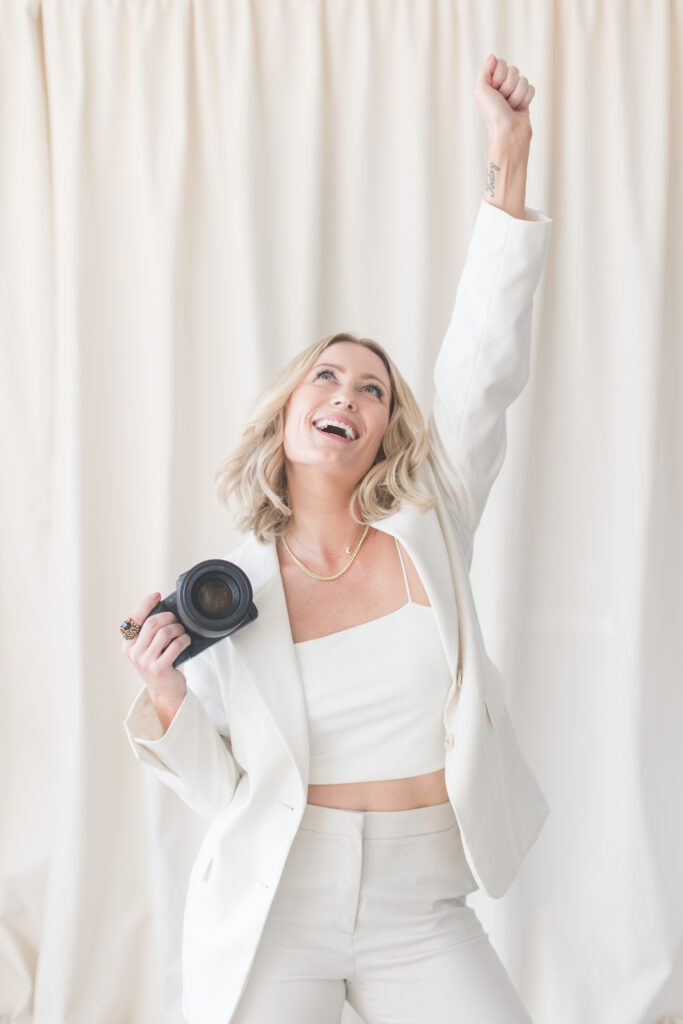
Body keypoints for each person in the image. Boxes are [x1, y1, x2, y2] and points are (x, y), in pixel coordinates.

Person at [121, 54, 552, 1024]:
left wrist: (508, 156)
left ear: (385, 431)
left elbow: (482, 355)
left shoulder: (429, 522)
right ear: (286, 414)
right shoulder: (229, 591)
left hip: (422, 902)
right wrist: (164, 693)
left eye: (371, 389)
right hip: (281, 902)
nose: (346, 396)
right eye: (326, 378)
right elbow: (222, 787)